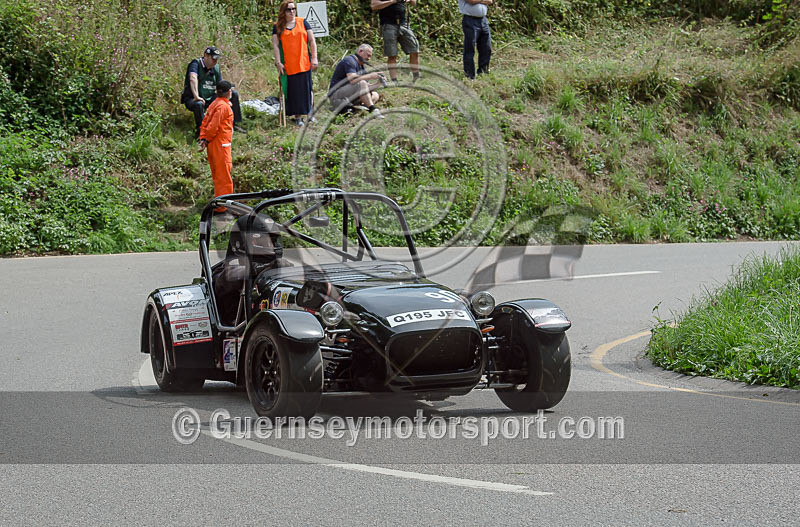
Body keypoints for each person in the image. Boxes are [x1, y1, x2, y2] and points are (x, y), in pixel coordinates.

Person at [181, 46, 246, 137]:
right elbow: (193, 78)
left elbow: (220, 85)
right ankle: (201, 132)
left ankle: (234, 123)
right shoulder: (195, 64)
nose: (215, 62)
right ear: (206, 56)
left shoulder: (216, 67)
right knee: (198, 104)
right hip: (193, 98)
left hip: (210, 97)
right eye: (213, 59)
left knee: (233, 94)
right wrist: (196, 96)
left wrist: (227, 90)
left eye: (217, 59)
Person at [273, 0, 318, 127]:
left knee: (307, 88)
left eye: (293, 9)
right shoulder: (278, 26)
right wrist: (278, 62)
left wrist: (314, 58)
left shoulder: (302, 22)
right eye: (289, 9)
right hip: (289, 64)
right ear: (284, 11)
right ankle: (298, 116)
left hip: (304, 61)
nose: (292, 11)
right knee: (294, 91)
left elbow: (312, 41)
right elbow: (276, 46)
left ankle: (310, 114)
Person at [199, 81, 235, 205]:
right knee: (224, 178)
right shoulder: (224, 107)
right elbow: (213, 127)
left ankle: (220, 203)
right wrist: (206, 138)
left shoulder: (214, 104)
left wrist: (204, 139)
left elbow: (205, 122)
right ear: (229, 92)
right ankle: (223, 207)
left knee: (217, 176)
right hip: (221, 145)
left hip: (213, 144)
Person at [328, 44, 386, 118]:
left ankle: (360, 107)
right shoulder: (349, 60)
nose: (369, 58)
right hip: (336, 94)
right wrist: (370, 76)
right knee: (362, 82)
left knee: (375, 95)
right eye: (368, 55)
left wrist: (378, 83)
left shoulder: (361, 66)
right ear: (360, 51)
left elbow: (365, 88)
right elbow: (352, 79)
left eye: (370, 56)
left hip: (349, 93)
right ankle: (373, 109)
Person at [370, 0, 420, 82]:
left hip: (403, 24)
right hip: (388, 24)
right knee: (392, 54)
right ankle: (394, 80)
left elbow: (414, 3)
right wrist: (393, 1)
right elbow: (374, 6)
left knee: (414, 50)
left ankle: (416, 76)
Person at [458, 0, 493, 80]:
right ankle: (469, 75)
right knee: (470, 49)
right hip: (470, 20)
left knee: (486, 48)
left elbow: (490, 1)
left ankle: (483, 72)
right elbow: (471, 1)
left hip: (483, 20)